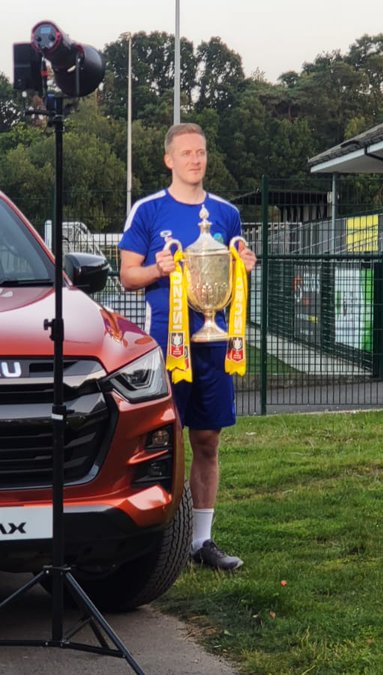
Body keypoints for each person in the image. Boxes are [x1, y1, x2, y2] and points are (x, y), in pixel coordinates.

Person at [118, 123, 256, 572]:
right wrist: (157, 270)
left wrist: (245, 264)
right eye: (186, 153)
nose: (195, 160)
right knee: (164, 440)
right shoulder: (149, 210)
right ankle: (158, 539)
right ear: (169, 160)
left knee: (208, 438)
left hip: (215, 343)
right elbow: (127, 275)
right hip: (166, 343)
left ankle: (201, 540)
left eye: (201, 152)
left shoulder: (225, 213)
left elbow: (235, 263)